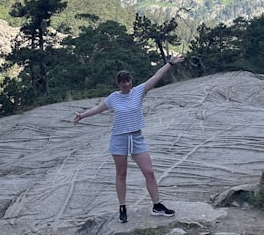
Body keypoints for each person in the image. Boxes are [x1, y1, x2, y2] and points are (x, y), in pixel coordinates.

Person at [73, 54, 185, 223]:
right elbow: (98, 109)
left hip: (137, 137)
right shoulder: (114, 97)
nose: (125, 84)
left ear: (131, 81)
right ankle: (122, 207)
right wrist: (82, 115)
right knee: (121, 174)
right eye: (122, 82)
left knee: (149, 172)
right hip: (119, 138)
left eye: (128, 80)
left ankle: (157, 205)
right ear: (118, 84)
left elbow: (157, 76)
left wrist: (169, 63)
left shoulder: (139, 91)